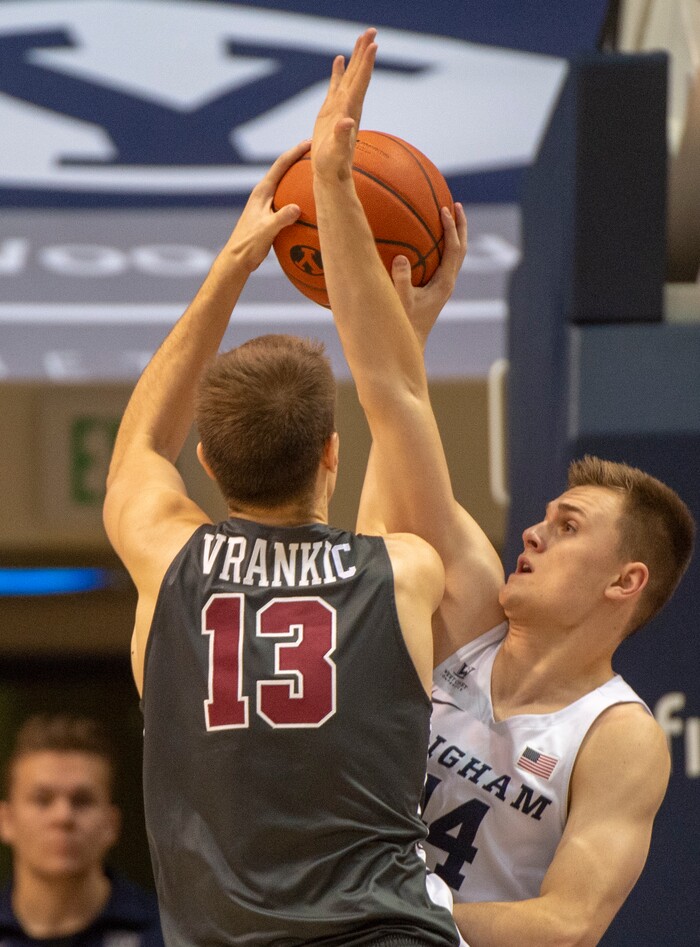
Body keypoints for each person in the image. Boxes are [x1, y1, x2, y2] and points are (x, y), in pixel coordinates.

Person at [313, 28, 696, 947]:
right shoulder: (470, 609)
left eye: (566, 527)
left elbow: (566, 924)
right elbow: (395, 406)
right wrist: (339, 195)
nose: (533, 532)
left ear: (624, 580)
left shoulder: (617, 736)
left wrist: (391, 924)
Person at [101, 32, 462, 947]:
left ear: (210, 465)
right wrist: (341, 198)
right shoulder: (403, 570)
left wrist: (230, 267)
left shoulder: (166, 557)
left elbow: (143, 440)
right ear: (331, 455)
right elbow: (399, 404)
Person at [0, 714, 164, 947]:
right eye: (42, 800)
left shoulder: (167, 933)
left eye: (82, 801)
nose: (63, 816)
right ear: (7, 821)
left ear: (111, 824)